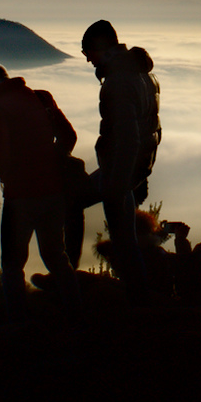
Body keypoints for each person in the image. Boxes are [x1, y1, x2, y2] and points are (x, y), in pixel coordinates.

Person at [0, 60, 80, 317]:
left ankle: (18, 321)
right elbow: (69, 136)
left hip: (21, 197)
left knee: (12, 265)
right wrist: (51, 160)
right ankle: (75, 313)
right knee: (56, 256)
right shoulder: (41, 98)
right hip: (54, 191)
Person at [77, 19, 162, 303]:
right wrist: (141, 172)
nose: (87, 59)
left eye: (88, 52)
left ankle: (136, 297)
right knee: (125, 237)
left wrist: (119, 183)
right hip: (134, 167)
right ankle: (138, 294)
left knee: (121, 236)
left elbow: (128, 137)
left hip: (120, 169)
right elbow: (151, 129)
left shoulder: (119, 81)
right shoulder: (144, 75)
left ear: (100, 48)